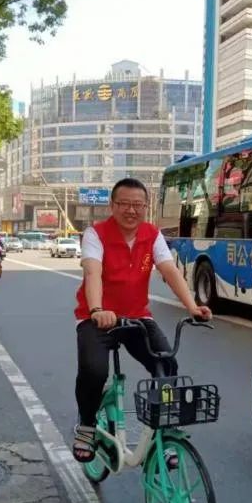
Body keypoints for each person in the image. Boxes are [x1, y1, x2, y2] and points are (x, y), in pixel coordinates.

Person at [72, 178, 212, 464]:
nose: (131, 210)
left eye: (137, 205)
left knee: (166, 364)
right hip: (97, 318)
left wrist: (193, 306)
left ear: (146, 207)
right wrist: (98, 309)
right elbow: (93, 273)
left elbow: (170, 271)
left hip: (137, 317)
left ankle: (164, 430)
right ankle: (86, 424)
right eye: (124, 204)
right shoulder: (95, 234)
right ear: (112, 206)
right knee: (94, 371)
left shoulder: (152, 235)